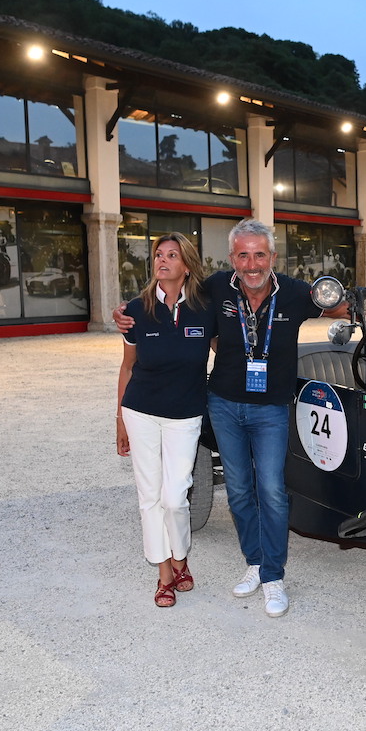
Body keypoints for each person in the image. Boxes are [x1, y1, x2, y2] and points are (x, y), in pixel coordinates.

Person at [114, 218, 346, 618]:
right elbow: (169, 295)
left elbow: (340, 304)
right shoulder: (215, 289)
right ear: (232, 258)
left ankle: (273, 577)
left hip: (271, 407)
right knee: (238, 490)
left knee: (271, 490)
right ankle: (254, 564)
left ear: (272, 256)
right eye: (243, 254)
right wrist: (125, 313)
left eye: (259, 254)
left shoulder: (294, 293)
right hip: (222, 404)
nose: (252, 263)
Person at [116, 232, 213, 607]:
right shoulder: (137, 311)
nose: (163, 260)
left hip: (185, 415)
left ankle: (181, 557)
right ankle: (164, 575)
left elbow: (227, 350)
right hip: (140, 410)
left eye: (172, 255)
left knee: (175, 498)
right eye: (159, 254)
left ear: (186, 265)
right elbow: (127, 368)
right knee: (149, 496)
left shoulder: (206, 308)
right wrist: (119, 419)